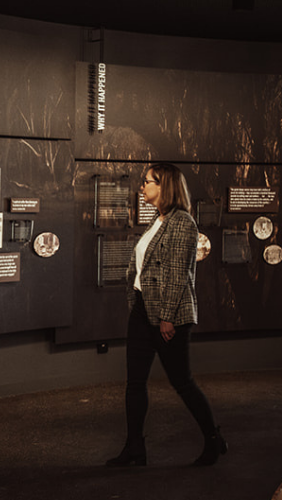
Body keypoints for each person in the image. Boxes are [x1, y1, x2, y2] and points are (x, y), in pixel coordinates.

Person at [106, 163, 227, 467]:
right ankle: (134, 448)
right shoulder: (156, 220)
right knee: (134, 383)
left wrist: (166, 318)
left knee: (182, 382)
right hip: (143, 310)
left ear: (164, 186)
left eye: (147, 182)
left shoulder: (183, 223)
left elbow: (176, 274)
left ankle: (213, 439)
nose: (141, 187)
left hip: (168, 315)